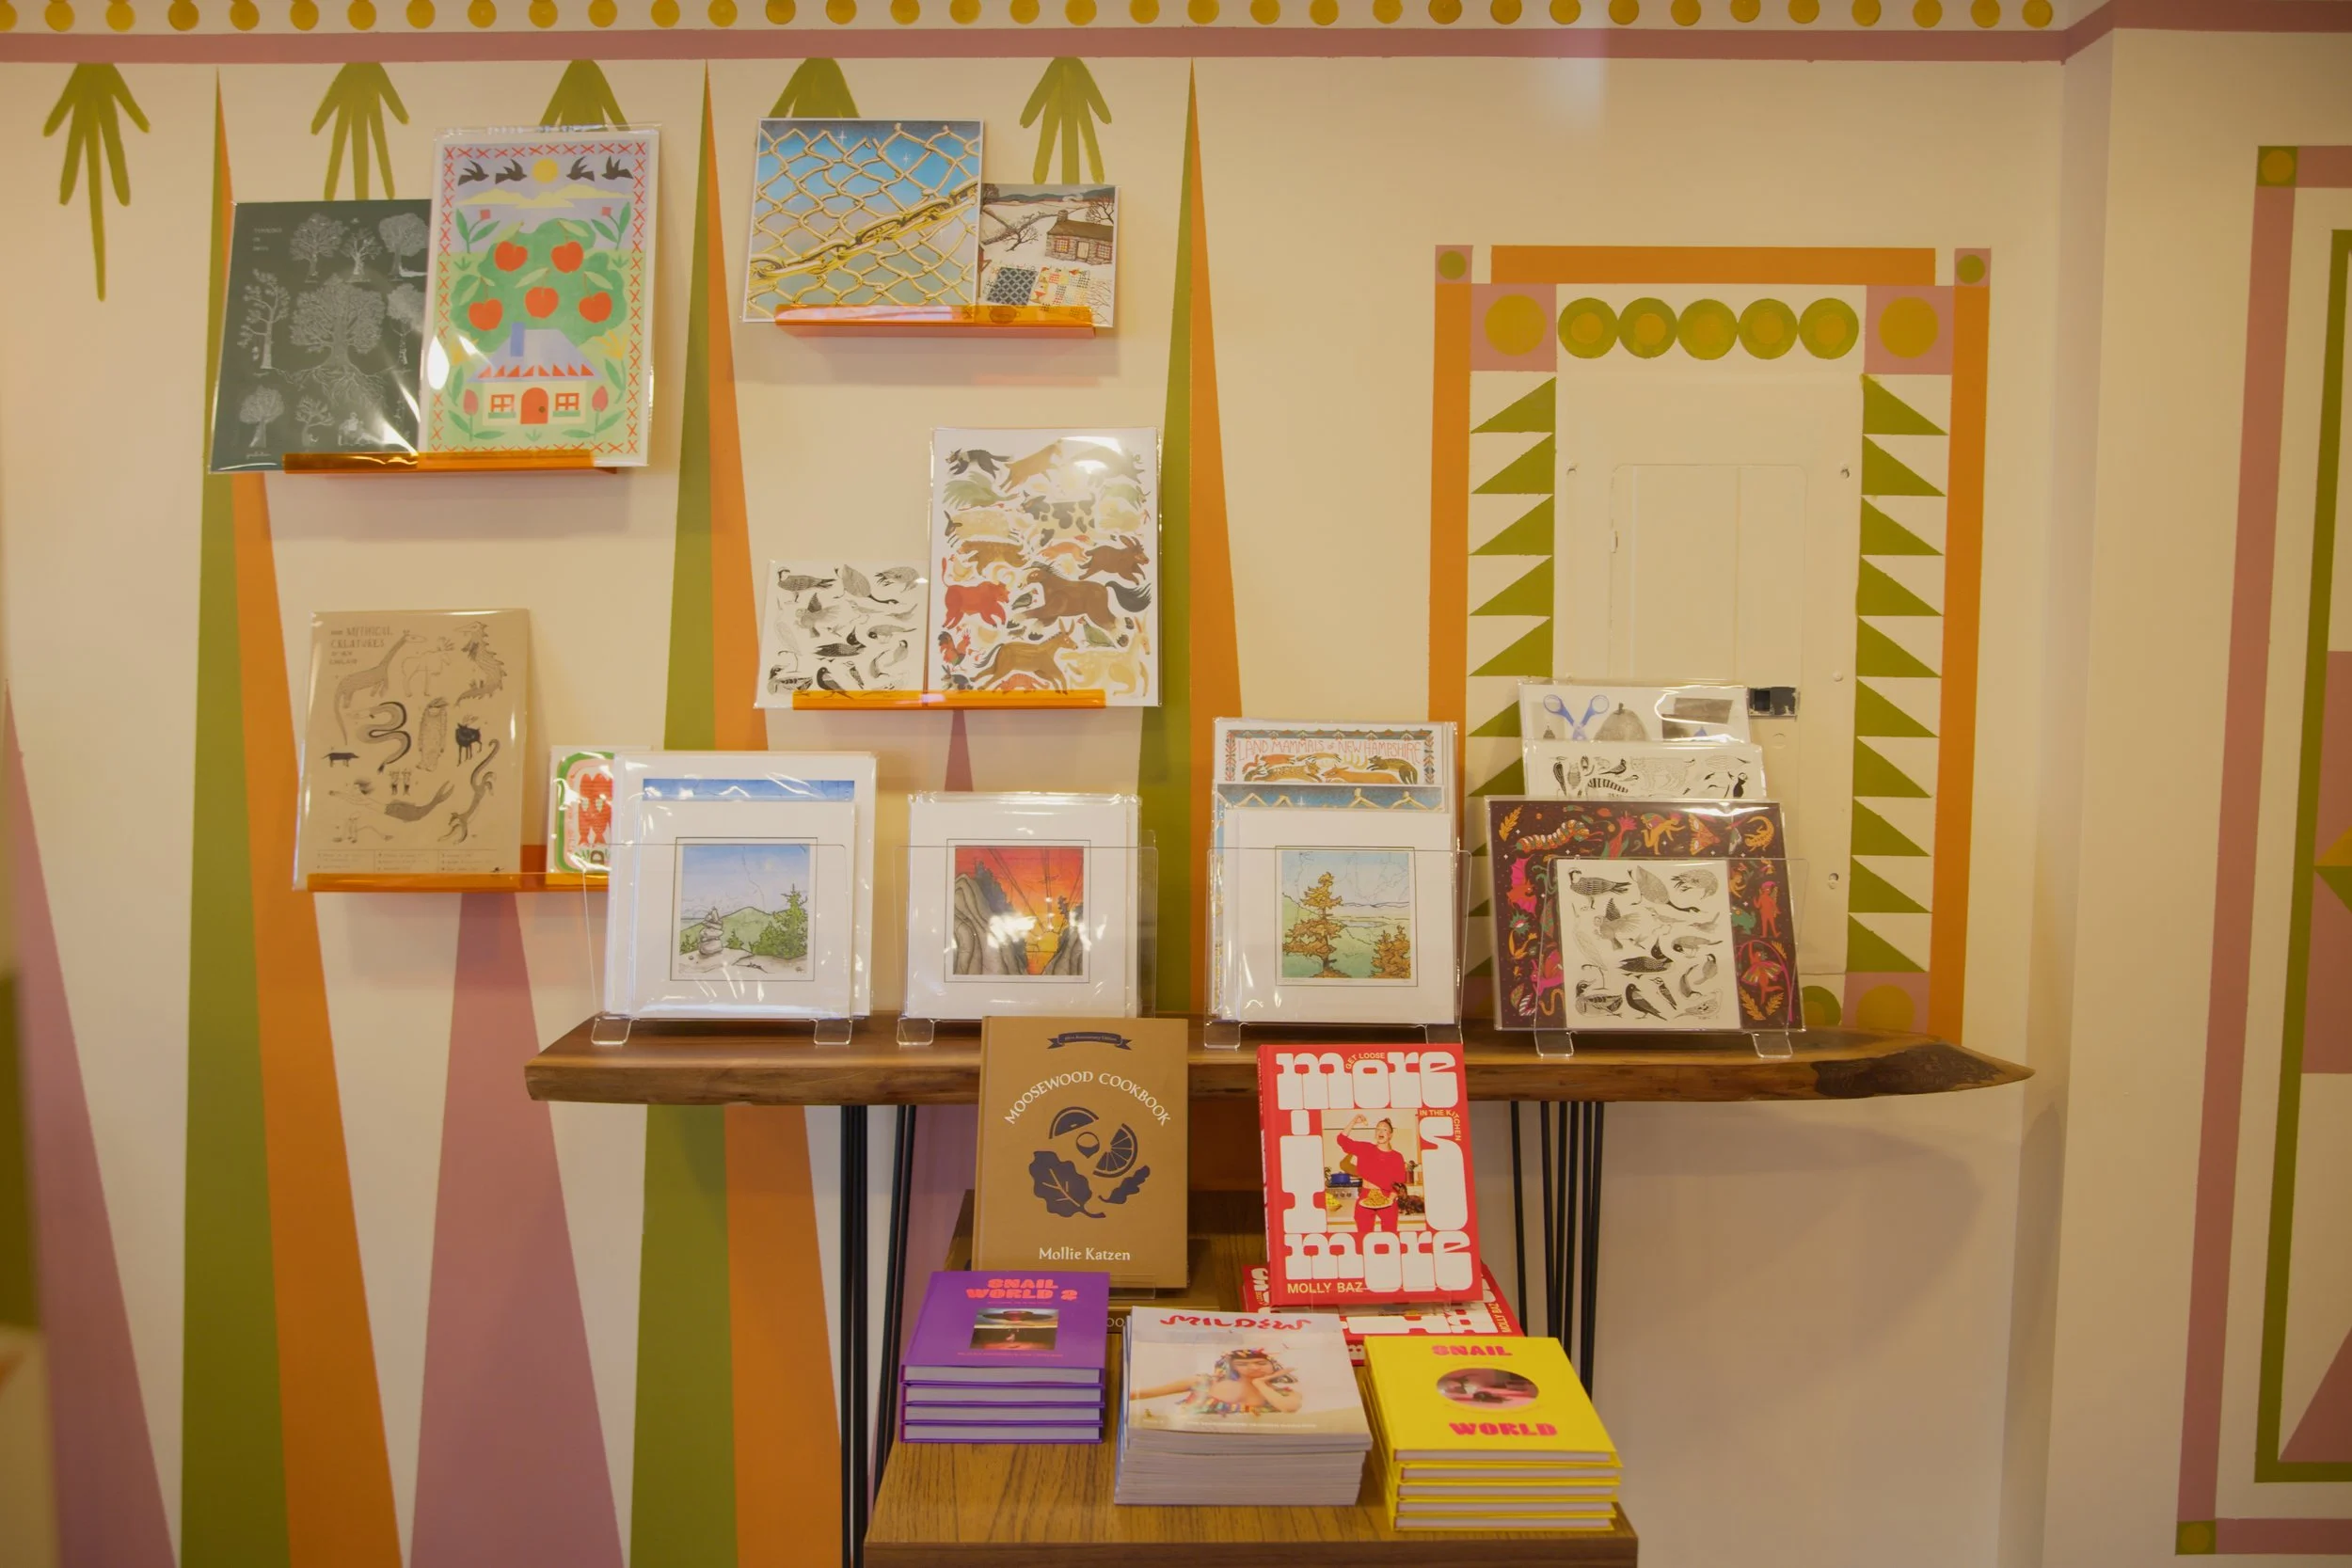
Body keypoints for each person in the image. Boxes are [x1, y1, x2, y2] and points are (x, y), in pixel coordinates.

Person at [1129, 1349, 1302, 1416]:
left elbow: (1288, 1408)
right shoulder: (1204, 1383)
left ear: (1274, 1365)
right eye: (1242, 1364)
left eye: (1261, 1363)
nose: (1253, 1368)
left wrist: (1260, 1384)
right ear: (1232, 1368)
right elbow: (1146, 1393)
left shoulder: (1287, 1394)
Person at [1333, 1115, 1409, 1234]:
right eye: (1378, 1129)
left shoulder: (1397, 1157)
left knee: (1390, 1235)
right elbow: (1341, 1140)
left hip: (1387, 1196)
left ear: (1390, 1135)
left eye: (1384, 1129)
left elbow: (1399, 1182)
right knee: (1364, 1236)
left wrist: (1390, 1199)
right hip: (1365, 1196)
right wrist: (1354, 1121)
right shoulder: (1366, 1148)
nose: (1380, 1131)